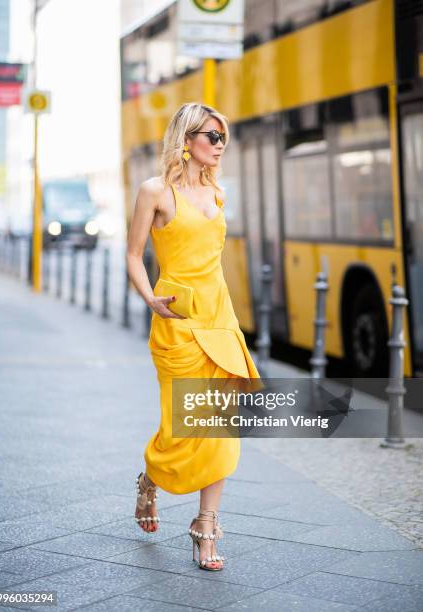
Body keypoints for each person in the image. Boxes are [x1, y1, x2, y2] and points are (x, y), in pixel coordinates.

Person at [126, 102, 261, 571]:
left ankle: (206, 524)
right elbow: (132, 253)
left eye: (224, 137)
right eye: (213, 136)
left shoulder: (219, 195)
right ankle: (151, 478)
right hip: (177, 321)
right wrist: (149, 299)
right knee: (182, 426)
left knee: (220, 429)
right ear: (187, 140)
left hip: (219, 319)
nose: (220, 145)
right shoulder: (155, 192)